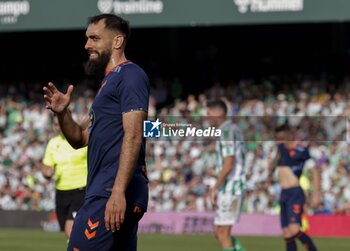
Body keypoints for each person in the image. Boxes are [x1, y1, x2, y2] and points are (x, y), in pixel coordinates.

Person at [43, 13, 150, 251]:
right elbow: (79, 138)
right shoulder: (107, 85)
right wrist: (62, 114)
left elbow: (134, 135)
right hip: (108, 190)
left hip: (111, 191)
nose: (87, 45)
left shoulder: (131, 75)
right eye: (87, 38)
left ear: (117, 42)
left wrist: (118, 192)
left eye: (94, 38)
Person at [271, 123, 320, 251]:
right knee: (287, 233)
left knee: (294, 229)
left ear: (289, 136)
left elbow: (315, 171)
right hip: (284, 193)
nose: (278, 141)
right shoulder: (281, 151)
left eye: (281, 138)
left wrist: (316, 194)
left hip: (295, 193)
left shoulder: (301, 151)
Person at [206, 99, 246, 251]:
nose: (207, 118)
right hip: (230, 187)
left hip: (231, 187)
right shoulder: (233, 129)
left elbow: (229, 163)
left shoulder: (226, 132)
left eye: (208, 114)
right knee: (218, 231)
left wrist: (214, 187)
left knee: (223, 233)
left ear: (217, 113)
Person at [42, 116, 87, 240]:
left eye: (61, 123)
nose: (59, 127)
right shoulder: (53, 143)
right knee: (68, 233)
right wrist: (47, 172)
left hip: (81, 189)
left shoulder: (81, 138)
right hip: (61, 192)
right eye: (56, 124)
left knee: (71, 231)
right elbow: (46, 167)